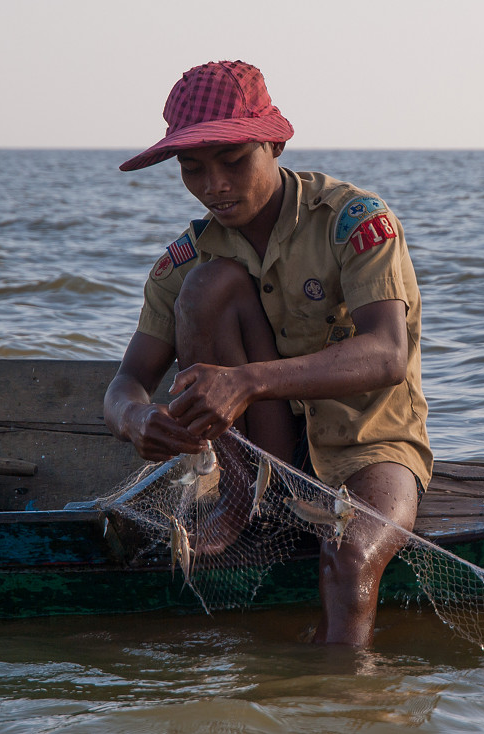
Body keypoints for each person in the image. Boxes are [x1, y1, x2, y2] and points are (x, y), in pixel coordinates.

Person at [103, 60, 432, 647]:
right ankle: (240, 502)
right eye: (193, 168)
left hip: (368, 444)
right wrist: (136, 419)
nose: (214, 186)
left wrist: (249, 380)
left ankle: (337, 701)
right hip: (259, 462)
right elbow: (126, 381)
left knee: (351, 558)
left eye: (233, 161)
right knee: (208, 288)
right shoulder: (187, 257)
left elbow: (386, 353)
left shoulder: (354, 222)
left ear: (273, 143)